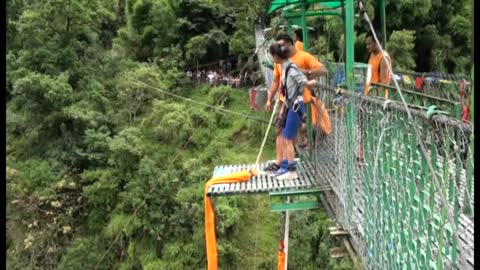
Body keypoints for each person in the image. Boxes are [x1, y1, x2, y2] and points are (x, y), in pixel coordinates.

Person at [264, 33, 328, 174]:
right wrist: (270, 98)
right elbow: (276, 80)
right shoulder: (281, 64)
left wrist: (306, 73)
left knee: (290, 136)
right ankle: (281, 163)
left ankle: (289, 167)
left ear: (289, 44)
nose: (280, 48)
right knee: (282, 131)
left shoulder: (302, 58)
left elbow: (322, 70)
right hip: (285, 101)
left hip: (297, 102)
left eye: (281, 45)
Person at [364, 31, 392, 99]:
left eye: (369, 44)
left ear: (377, 42)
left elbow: (383, 83)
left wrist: (375, 98)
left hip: (377, 99)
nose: (367, 47)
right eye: (366, 44)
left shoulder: (384, 58)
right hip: (369, 95)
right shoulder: (372, 55)